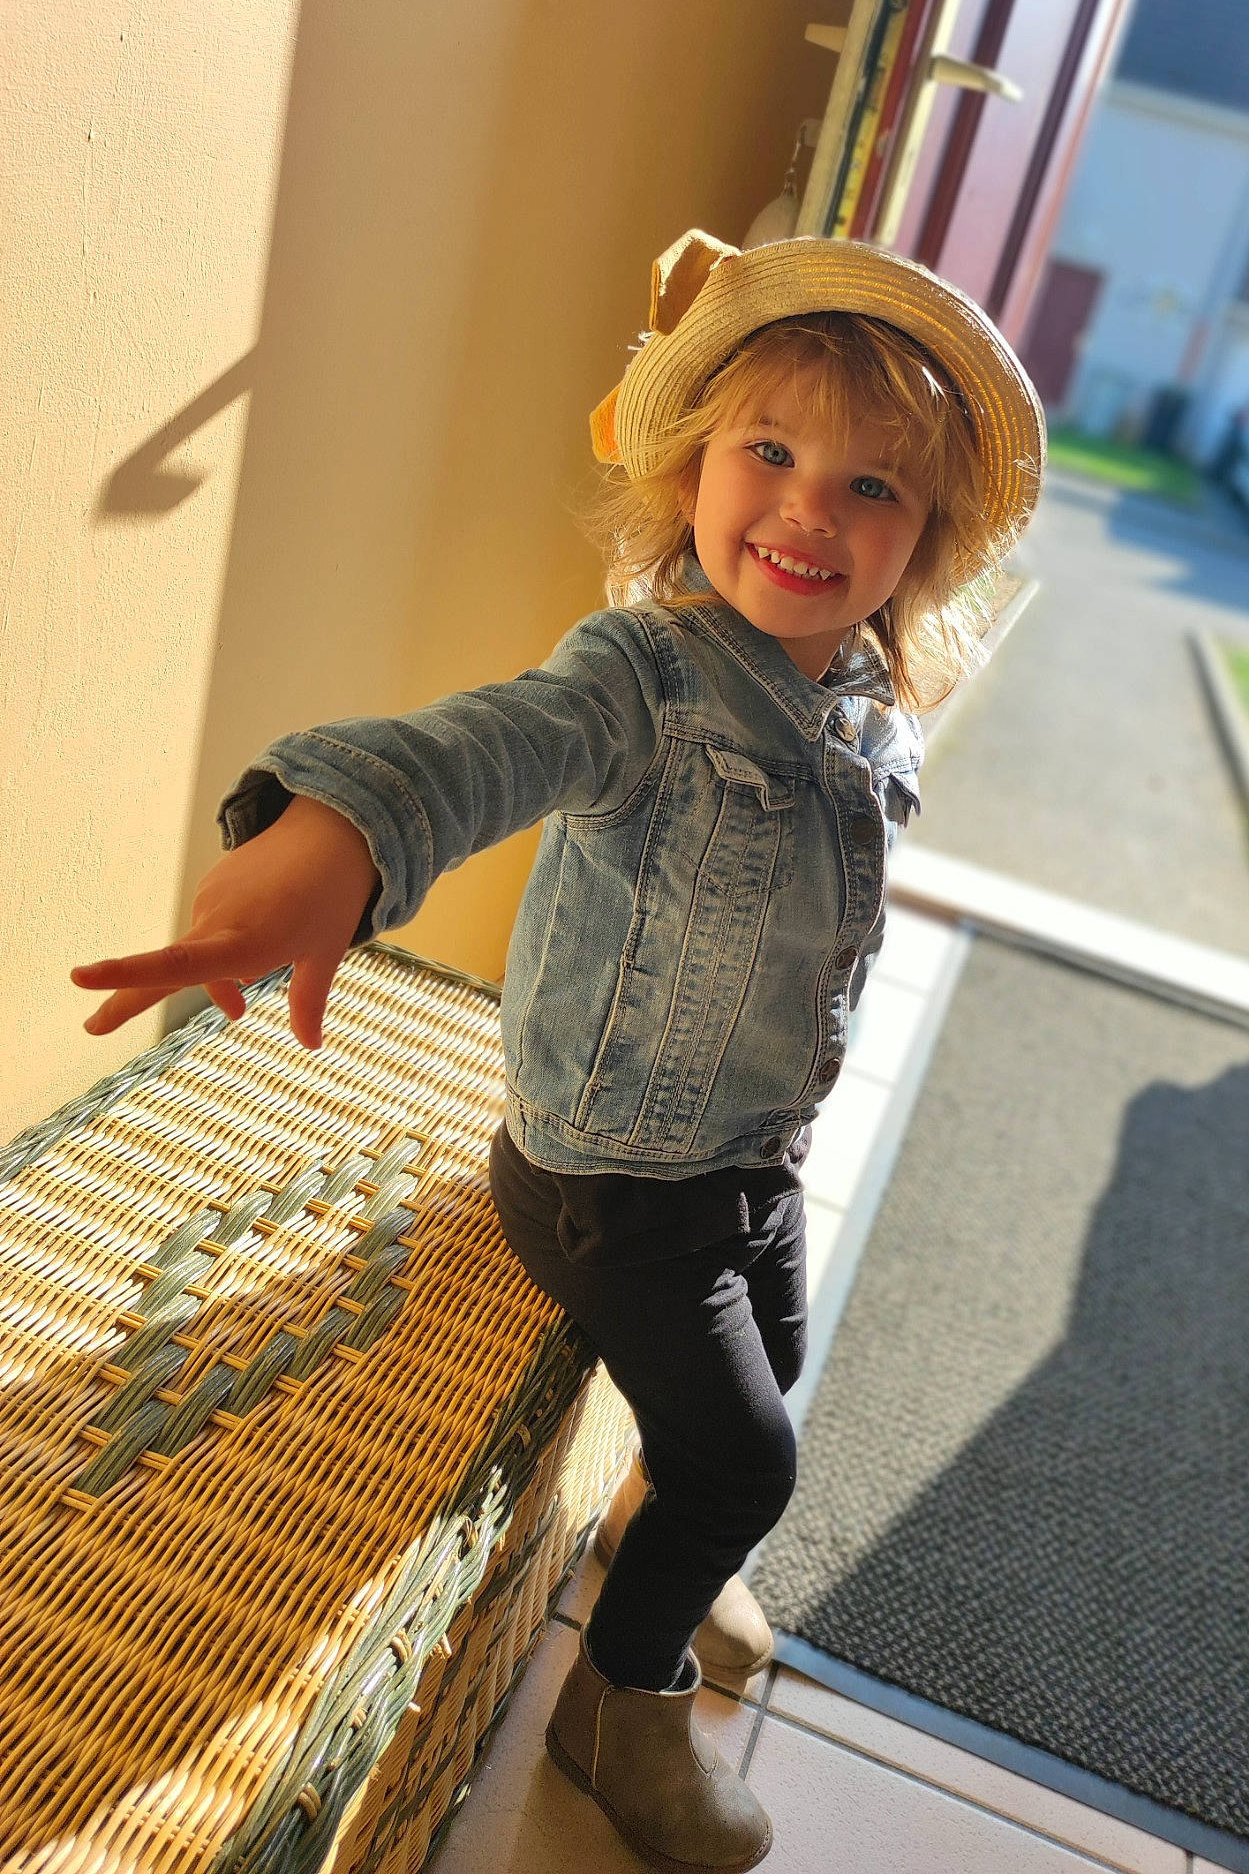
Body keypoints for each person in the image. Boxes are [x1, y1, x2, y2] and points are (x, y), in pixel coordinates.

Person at [70, 227, 1045, 1872]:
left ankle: (670, 1537)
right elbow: (479, 749)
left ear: (922, 543)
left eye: (872, 487)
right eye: (771, 454)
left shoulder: (865, 712)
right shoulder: (643, 679)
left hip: (753, 1151)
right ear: (691, 469)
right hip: (612, 1182)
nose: (812, 510)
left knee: (770, 1371)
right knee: (751, 1458)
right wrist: (330, 844)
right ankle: (623, 1700)